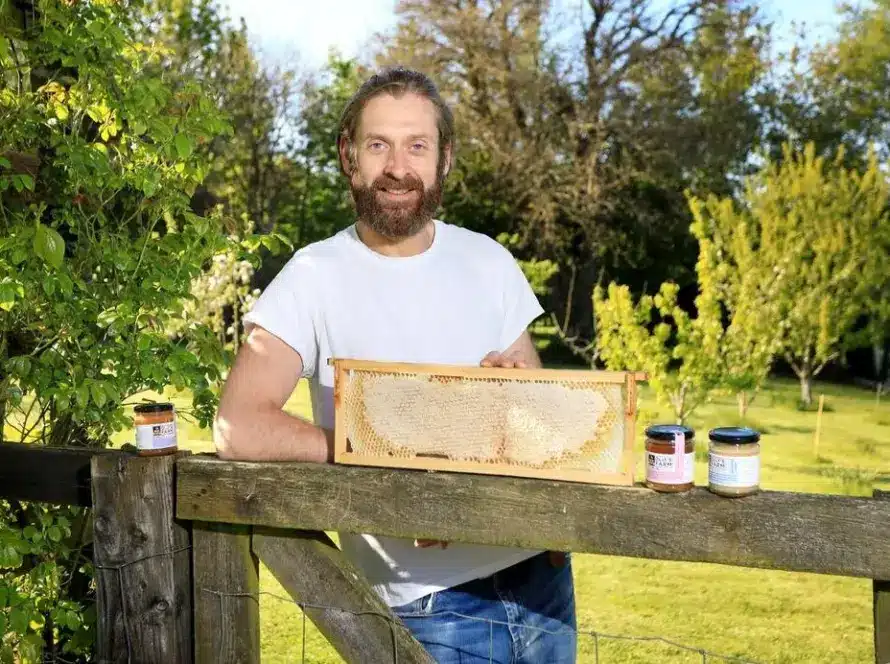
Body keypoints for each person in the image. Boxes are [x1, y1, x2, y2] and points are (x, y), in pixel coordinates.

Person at [213, 66, 577, 663]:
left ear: (445, 159)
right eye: (378, 144)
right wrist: (379, 447)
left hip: (540, 577)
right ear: (347, 156)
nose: (398, 167)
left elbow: (534, 417)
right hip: (426, 603)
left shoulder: (488, 260)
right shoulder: (312, 276)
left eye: (417, 145)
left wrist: (519, 404)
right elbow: (238, 425)